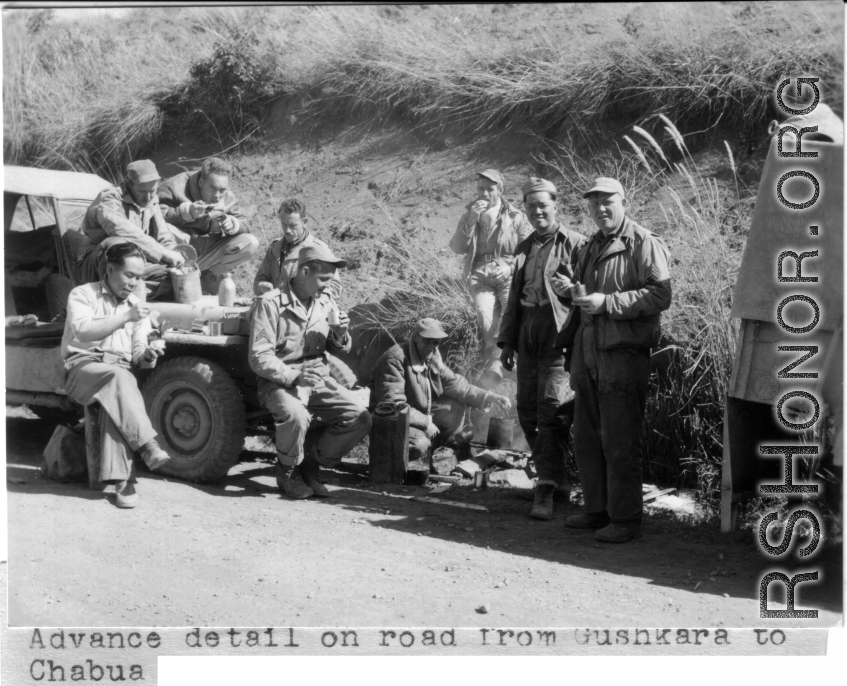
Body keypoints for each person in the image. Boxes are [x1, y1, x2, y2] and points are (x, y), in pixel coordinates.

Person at [564, 177, 672, 543]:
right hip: (589, 353)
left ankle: (625, 520)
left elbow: (660, 295)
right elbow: (586, 297)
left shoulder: (643, 242)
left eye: (608, 202)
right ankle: (597, 510)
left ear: (624, 202)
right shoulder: (591, 244)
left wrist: (607, 303)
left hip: (623, 355)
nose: (601, 210)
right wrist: (575, 294)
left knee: (621, 439)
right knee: (588, 437)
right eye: (594, 205)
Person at [248, 244, 371, 500]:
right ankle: (287, 470)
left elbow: (335, 347)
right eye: (324, 278)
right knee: (295, 416)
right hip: (279, 379)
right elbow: (259, 357)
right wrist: (295, 377)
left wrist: (340, 335)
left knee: (359, 418)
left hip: (317, 375)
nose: (328, 285)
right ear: (304, 271)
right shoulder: (270, 304)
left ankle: (309, 465)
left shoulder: (324, 302)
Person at [498, 177, 586, 521]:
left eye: (543, 205)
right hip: (526, 333)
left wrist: (571, 290)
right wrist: (507, 340)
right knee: (526, 411)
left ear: (555, 205)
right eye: (530, 206)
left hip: (558, 335)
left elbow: (589, 292)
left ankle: (545, 488)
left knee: (552, 409)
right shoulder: (524, 247)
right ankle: (559, 479)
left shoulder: (577, 244)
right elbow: (512, 300)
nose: (537, 212)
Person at [61, 242, 171, 509]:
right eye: (129, 275)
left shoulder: (136, 307)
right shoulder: (83, 294)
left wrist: (149, 355)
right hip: (82, 368)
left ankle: (122, 480)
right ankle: (146, 447)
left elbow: (137, 356)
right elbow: (82, 331)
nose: (134, 283)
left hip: (117, 372)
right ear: (110, 269)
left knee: (119, 383)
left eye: (139, 277)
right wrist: (125, 318)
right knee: (119, 380)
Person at [371, 318, 512, 462]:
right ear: (415, 337)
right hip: (392, 423)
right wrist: (426, 422)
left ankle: (446, 454)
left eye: (436, 342)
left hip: (418, 417)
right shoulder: (395, 359)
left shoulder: (431, 357)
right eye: (427, 341)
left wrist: (490, 397)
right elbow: (394, 405)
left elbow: (457, 386)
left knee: (455, 406)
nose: (432, 347)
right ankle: (404, 461)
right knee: (419, 445)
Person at [450, 169, 533, 387]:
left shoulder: (516, 216)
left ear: (500, 191)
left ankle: (499, 365)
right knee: (484, 313)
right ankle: (496, 361)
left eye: (490, 189)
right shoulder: (470, 214)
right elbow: (458, 248)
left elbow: (528, 249)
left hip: (507, 272)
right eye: (480, 188)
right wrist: (470, 221)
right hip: (479, 274)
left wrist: (511, 267)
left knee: (508, 310)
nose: (484, 193)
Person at [157, 157, 259, 294]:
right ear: (200, 182)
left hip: (207, 256)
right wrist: (185, 213)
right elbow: (154, 217)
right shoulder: (174, 187)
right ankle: (173, 277)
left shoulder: (227, 196)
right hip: (178, 256)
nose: (217, 195)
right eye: (212, 188)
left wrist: (233, 224)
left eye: (222, 190)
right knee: (166, 229)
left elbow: (245, 223)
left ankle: (209, 276)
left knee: (250, 242)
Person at [78, 160, 185, 288]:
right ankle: (113, 293)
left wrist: (175, 256)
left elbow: (164, 237)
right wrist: (163, 253)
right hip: (95, 265)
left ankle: (136, 289)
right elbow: (121, 230)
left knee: (175, 275)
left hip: (134, 263)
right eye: (142, 192)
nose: (148, 197)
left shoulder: (151, 200)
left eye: (153, 191)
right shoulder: (109, 198)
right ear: (129, 184)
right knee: (116, 244)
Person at [253, 198, 340, 298]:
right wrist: (262, 286)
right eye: (284, 224)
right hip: (275, 309)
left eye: (292, 225)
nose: (287, 230)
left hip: (304, 311)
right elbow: (259, 280)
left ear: (304, 222)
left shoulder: (319, 250)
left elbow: (334, 288)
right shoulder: (275, 248)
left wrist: (305, 293)